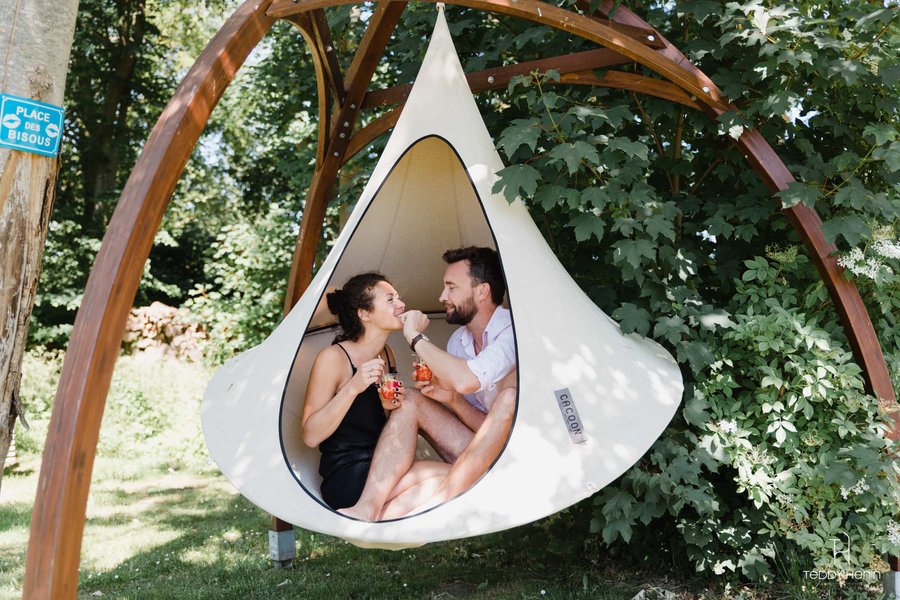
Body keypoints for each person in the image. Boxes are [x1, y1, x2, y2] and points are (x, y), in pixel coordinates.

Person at [338, 247, 517, 521]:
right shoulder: (459, 340)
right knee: (409, 397)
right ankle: (367, 510)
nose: (442, 297)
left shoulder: (513, 333)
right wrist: (453, 401)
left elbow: (467, 380)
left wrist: (414, 337)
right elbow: (486, 429)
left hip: (518, 455)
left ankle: (434, 511)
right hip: (479, 450)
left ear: (482, 291)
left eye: (451, 288)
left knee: (508, 398)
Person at [301, 272, 449, 510]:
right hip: (348, 476)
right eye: (390, 300)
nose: (401, 305)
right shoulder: (334, 358)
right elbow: (310, 436)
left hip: (384, 464)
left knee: (449, 482)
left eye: (398, 298)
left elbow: (383, 426)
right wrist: (353, 387)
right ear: (365, 313)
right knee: (454, 475)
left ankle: (376, 520)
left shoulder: (386, 353)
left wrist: (387, 407)